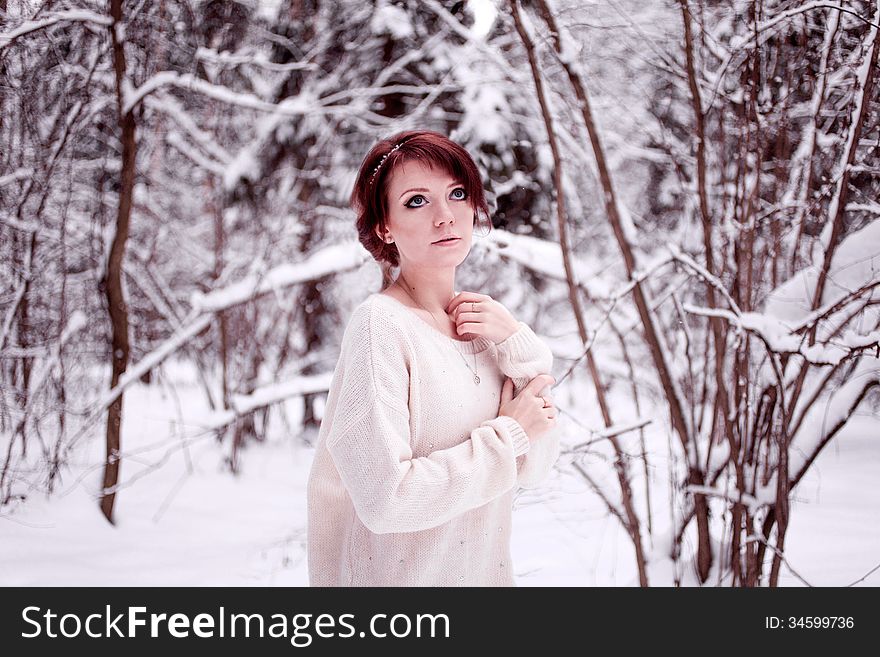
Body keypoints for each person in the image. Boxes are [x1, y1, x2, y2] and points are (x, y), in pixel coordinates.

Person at [307, 129, 560, 586]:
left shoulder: (482, 328)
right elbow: (386, 500)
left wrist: (516, 341)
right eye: (417, 201)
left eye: (457, 194)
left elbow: (536, 466)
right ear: (384, 226)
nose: (445, 216)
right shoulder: (380, 327)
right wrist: (510, 435)